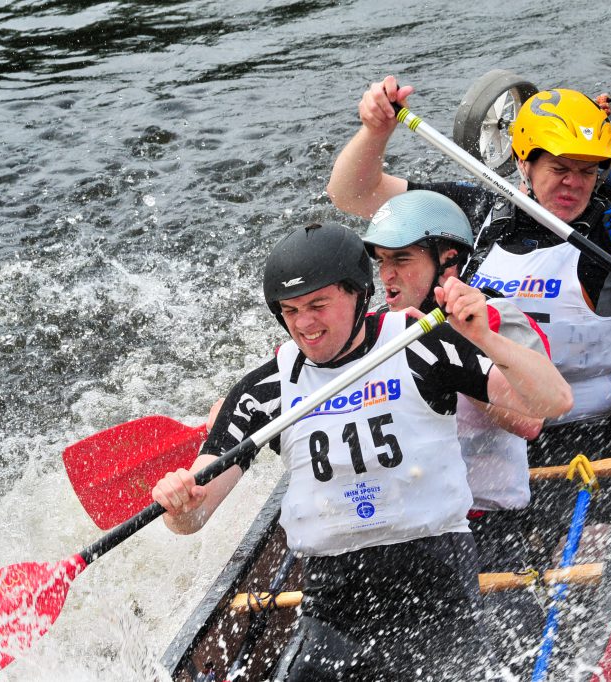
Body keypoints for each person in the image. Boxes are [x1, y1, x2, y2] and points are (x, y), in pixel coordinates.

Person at [328, 78, 611, 557]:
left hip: (579, 435)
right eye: (560, 168)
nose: (574, 184)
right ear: (524, 163)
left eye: (588, 171)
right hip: (471, 431)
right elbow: (352, 195)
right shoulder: (474, 208)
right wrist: (375, 131)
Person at [151, 223, 572, 681]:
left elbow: (553, 402)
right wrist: (179, 502)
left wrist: (487, 339)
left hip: (438, 581)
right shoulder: (265, 390)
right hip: (333, 602)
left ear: (357, 294)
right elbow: (192, 518)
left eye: (318, 305)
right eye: (290, 311)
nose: (305, 324)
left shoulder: (421, 346)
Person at [363, 189, 554, 677]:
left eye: (401, 260)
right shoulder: (372, 331)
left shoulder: (501, 320)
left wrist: (458, 349)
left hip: (483, 525)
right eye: (382, 261)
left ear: (448, 263)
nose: (386, 276)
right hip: (399, 530)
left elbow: (532, 420)